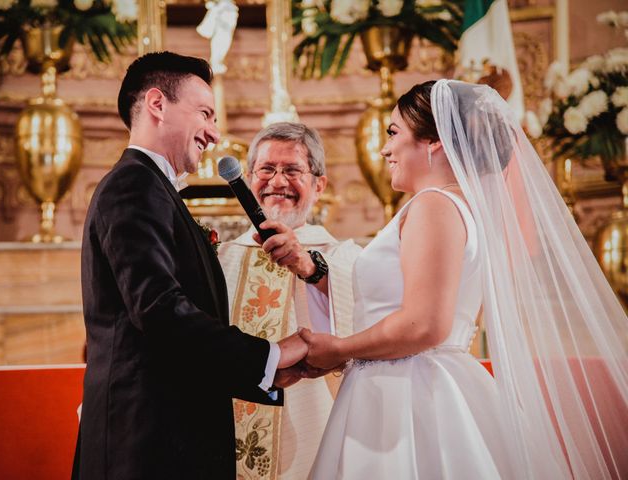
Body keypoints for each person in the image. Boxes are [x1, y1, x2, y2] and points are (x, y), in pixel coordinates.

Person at [296, 80, 628, 478]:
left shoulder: (434, 206)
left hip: (406, 392)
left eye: (393, 132)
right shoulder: (459, 206)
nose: (384, 149)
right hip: (410, 381)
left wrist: (339, 349)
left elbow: (425, 324)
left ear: (433, 141)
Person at [72, 52, 308, 480]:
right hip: (148, 446)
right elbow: (160, 310)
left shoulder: (154, 188)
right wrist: (269, 357)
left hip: (167, 436)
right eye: (205, 114)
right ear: (157, 105)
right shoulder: (134, 184)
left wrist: (267, 374)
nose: (215, 134)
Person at [218, 122, 361, 479]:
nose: (278, 182)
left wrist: (311, 269)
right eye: (266, 169)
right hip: (223, 431)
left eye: (292, 170)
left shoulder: (344, 258)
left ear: (319, 185)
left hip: (318, 427)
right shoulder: (220, 257)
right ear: (249, 179)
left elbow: (366, 325)